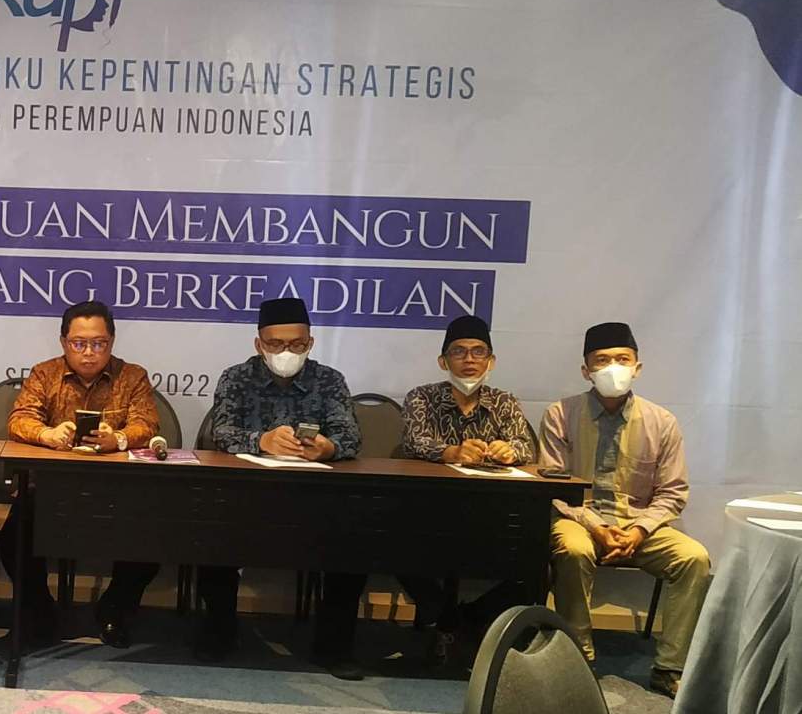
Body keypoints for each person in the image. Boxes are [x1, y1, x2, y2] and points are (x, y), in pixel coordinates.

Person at [540, 322, 711, 699]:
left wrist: (638, 530)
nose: (613, 368)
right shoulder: (560, 414)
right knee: (572, 549)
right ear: (586, 370)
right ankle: (578, 659)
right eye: (601, 361)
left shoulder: (661, 422)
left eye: (622, 359)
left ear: (637, 367)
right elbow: (554, 487)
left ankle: (669, 668)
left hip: (639, 525)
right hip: (577, 518)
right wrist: (597, 526)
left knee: (694, 558)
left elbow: (672, 492)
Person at [203, 297, 366, 679]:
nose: (286, 352)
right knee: (209, 530)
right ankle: (219, 632)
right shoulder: (236, 378)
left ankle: (334, 648)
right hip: (248, 496)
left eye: (296, 344)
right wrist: (260, 440)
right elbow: (220, 432)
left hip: (314, 498)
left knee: (352, 539)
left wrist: (328, 447)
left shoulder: (329, 380)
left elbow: (350, 436)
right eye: (275, 344)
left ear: (310, 343)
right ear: (259, 344)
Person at [0, 301, 161, 649]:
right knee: (13, 537)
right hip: (50, 489)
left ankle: (114, 609)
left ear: (111, 342)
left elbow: (147, 424)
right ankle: (40, 610)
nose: (89, 352)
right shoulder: (44, 374)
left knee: (153, 534)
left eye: (99, 343)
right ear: (64, 342)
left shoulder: (132, 376)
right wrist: (48, 434)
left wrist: (118, 439)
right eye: (79, 343)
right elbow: (19, 420)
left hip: (117, 491)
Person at [397, 315, 534, 666]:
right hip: (428, 509)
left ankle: (466, 617)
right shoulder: (422, 398)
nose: (469, 359)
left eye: (478, 352)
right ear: (443, 361)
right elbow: (414, 441)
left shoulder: (505, 402)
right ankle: (445, 616)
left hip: (490, 512)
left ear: (491, 361)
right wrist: (451, 452)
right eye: (458, 352)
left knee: (536, 556)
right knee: (389, 540)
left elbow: (526, 446)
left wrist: (509, 451)